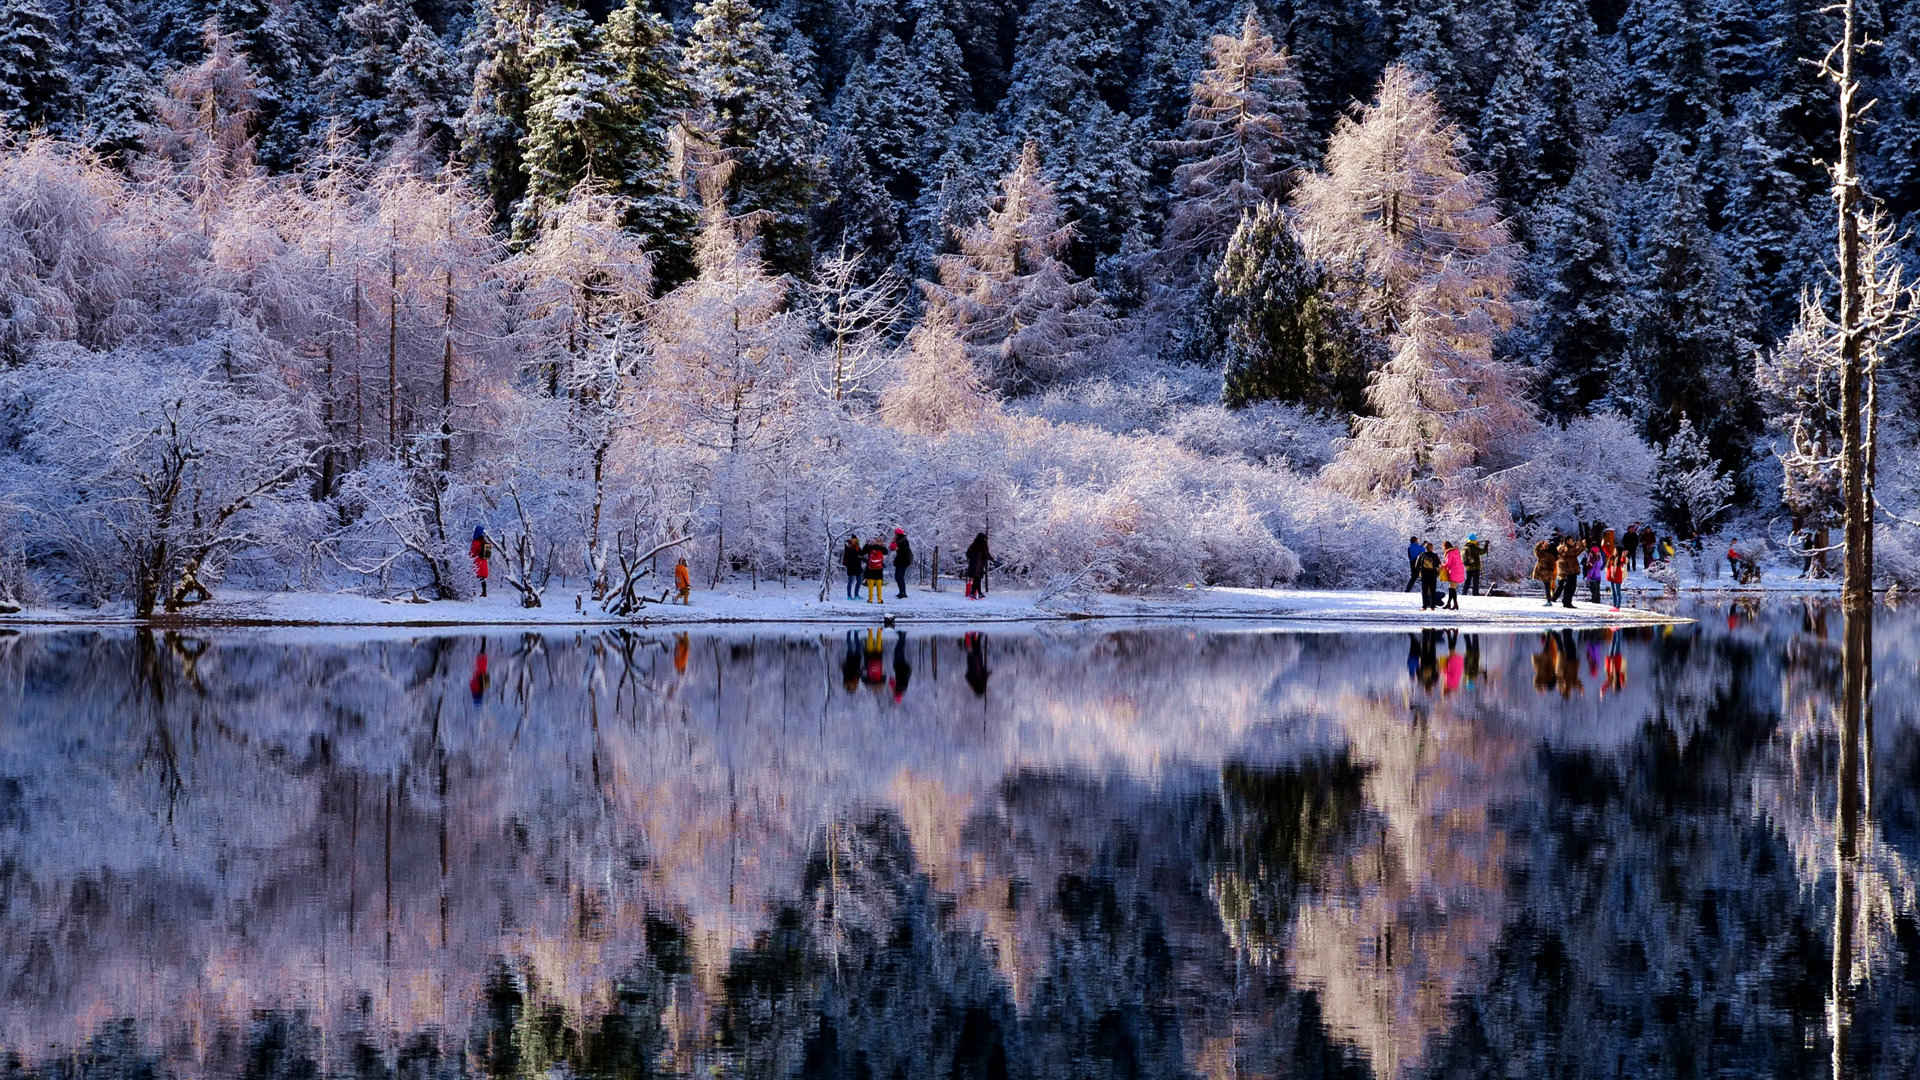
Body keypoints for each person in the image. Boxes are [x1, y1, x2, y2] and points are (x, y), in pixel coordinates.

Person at [965, 532, 994, 599]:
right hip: (979, 565)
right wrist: (992, 559)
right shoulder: (983, 545)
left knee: (977, 579)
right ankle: (974, 593)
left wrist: (972, 558)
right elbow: (986, 554)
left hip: (974, 564)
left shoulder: (973, 545)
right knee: (977, 579)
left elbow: (968, 554)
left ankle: (977, 593)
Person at [1555, 538, 1581, 608]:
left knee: (1572, 587)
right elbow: (1570, 553)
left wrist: (1581, 546)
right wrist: (1578, 547)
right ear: (1567, 541)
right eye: (1571, 541)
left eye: (1573, 540)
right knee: (1568, 587)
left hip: (1573, 570)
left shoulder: (1571, 548)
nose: (1573, 542)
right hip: (1567, 570)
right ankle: (1566, 602)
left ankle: (1568, 601)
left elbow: (1576, 553)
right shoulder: (1564, 548)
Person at [862, 537, 889, 603]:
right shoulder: (881, 548)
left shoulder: (870, 547)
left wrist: (867, 544)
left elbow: (862, 552)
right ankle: (879, 599)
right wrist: (882, 545)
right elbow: (886, 552)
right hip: (879, 570)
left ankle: (870, 599)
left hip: (870, 569)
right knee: (879, 586)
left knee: (870, 586)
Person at [1533, 538, 1558, 606]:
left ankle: (1549, 601)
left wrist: (1540, 544)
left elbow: (1536, 551)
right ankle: (1549, 600)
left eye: (1545, 545)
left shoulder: (1546, 554)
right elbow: (1536, 551)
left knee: (1547, 586)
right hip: (1546, 573)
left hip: (1546, 573)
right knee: (1547, 586)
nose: (1544, 546)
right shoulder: (1547, 554)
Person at [889, 528, 913, 599]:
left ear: (898, 534)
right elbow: (892, 548)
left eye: (895, 534)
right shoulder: (900, 540)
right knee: (898, 577)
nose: (894, 535)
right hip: (901, 561)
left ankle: (903, 593)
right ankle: (901, 592)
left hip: (903, 561)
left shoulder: (903, 541)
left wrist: (895, 545)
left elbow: (894, 548)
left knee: (899, 577)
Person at [889, 631, 911, 703]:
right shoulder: (898, 688)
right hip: (899, 666)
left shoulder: (904, 688)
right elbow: (891, 681)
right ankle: (902, 636)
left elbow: (893, 681)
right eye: (895, 696)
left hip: (903, 666)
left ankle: (902, 636)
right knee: (898, 650)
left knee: (900, 650)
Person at [1442, 541, 1465, 610]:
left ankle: (1454, 604)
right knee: (1452, 588)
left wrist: (1442, 566)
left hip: (1454, 571)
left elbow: (1448, 563)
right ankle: (1450, 603)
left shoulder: (1449, 553)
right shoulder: (1457, 552)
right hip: (1460, 570)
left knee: (1452, 589)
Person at [470, 526, 491, 598]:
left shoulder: (475, 542)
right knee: (482, 577)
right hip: (483, 562)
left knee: (472, 576)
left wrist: (470, 556)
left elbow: (473, 552)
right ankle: (484, 592)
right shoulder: (484, 541)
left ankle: (473, 591)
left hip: (476, 560)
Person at [1606, 544, 1628, 611]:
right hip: (1612, 577)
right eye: (1614, 550)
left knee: (1618, 592)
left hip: (1617, 577)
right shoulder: (1612, 557)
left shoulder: (1620, 558)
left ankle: (1617, 607)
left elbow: (1623, 561)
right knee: (1613, 592)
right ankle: (1614, 606)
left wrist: (1624, 556)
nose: (1614, 551)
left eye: (1615, 550)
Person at [842, 535, 864, 600]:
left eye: (856, 540)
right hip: (851, 566)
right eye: (853, 540)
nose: (854, 541)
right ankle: (849, 596)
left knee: (859, 581)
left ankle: (856, 595)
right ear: (851, 540)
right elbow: (847, 556)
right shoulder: (848, 547)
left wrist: (862, 558)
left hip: (858, 566)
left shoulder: (858, 547)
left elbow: (861, 555)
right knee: (850, 581)